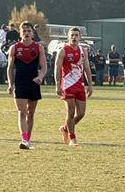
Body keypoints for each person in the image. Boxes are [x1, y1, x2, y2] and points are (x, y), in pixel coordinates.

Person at [6, 21, 47, 150]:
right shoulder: (14, 48)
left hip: (34, 83)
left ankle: (28, 140)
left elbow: (44, 66)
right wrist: (10, 84)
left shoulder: (38, 47)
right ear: (21, 33)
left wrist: (40, 77)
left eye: (29, 31)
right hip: (20, 83)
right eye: (24, 31)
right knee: (22, 111)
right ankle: (24, 139)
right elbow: (10, 68)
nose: (27, 33)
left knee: (31, 113)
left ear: (32, 33)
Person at [55, 27, 93, 147]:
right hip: (67, 85)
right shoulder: (63, 50)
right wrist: (57, 84)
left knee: (81, 113)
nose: (74, 37)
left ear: (80, 37)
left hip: (79, 85)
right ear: (68, 37)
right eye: (72, 35)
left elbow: (86, 68)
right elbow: (57, 67)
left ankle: (65, 128)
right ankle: (72, 138)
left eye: (76, 35)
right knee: (71, 111)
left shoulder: (83, 51)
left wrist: (90, 85)